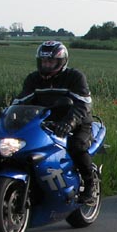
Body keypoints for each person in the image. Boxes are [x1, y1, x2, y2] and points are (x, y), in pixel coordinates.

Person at [13, 40, 97, 204]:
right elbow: (21, 101)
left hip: (77, 121)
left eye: (50, 61)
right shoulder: (33, 79)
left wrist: (70, 122)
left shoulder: (74, 77)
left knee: (77, 146)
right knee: (22, 149)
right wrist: (9, 115)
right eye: (43, 61)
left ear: (61, 61)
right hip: (45, 122)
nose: (46, 65)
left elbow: (84, 104)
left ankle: (90, 185)